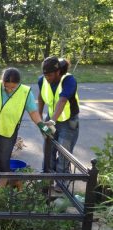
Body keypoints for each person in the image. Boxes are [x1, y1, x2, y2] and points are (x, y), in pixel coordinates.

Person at [0, 67, 53, 188]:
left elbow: (33, 112)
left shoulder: (25, 93)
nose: (10, 90)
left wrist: (43, 127)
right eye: (7, 87)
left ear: (18, 84)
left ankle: (0, 192)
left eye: (13, 87)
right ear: (2, 82)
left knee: (3, 161)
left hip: (8, 131)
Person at [38, 56, 80, 189]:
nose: (47, 78)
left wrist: (52, 121)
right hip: (50, 119)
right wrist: (39, 116)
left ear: (58, 72)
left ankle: (61, 182)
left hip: (68, 122)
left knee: (63, 152)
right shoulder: (42, 80)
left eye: (50, 75)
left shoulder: (69, 80)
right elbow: (41, 97)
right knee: (48, 149)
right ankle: (47, 178)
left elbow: (62, 100)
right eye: (45, 75)